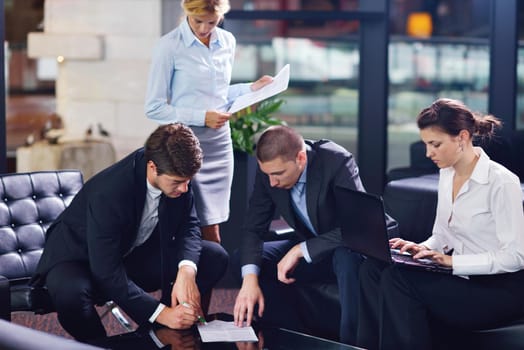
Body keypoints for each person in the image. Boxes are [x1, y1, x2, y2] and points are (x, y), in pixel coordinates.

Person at [31, 123, 229, 342]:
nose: (184, 189)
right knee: (70, 294)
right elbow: (106, 270)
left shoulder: (177, 171)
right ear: (152, 167)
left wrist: (186, 272)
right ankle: (100, 346)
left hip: (130, 253)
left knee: (214, 256)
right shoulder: (110, 192)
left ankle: (162, 336)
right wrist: (161, 313)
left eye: (188, 182)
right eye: (178, 182)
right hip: (79, 260)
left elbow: (189, 226)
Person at [356, 98, 524, 350]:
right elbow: (442, 235)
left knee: (397, 279)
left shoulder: (502, 182)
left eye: (435, 144)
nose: (428, 153)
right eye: (426, 144)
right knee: (372, 269)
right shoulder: (447, 173)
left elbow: (515, 257)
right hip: (461, 279)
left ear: (462, 137)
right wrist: (417, 249)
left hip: (498, 291)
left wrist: (452, 262)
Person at [232, 125, 397, 345]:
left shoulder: (336, 161)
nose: (272, 182)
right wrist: (249, 280)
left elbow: (358, 227)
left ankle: (350, 345)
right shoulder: (270, 174)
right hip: (311, 249)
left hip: (347, 248)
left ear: (300, 158)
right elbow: (253, 228)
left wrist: (301, 250)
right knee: (243, 260)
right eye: (267, 175)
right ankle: (291, 337)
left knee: (346, 259)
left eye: (278, 174)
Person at [144, 0, 273, 243]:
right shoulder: (168, 46)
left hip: (219, 143)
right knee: (198, 226)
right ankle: (188, 277)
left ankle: (203, 278)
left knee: (214, 224)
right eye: (198, 21)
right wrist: (202, 117)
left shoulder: (227, 41)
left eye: (212, 22)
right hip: (184, 144)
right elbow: (155, 108)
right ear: (187, 12)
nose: (204, 28)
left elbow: (220, 96)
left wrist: (252, 88)